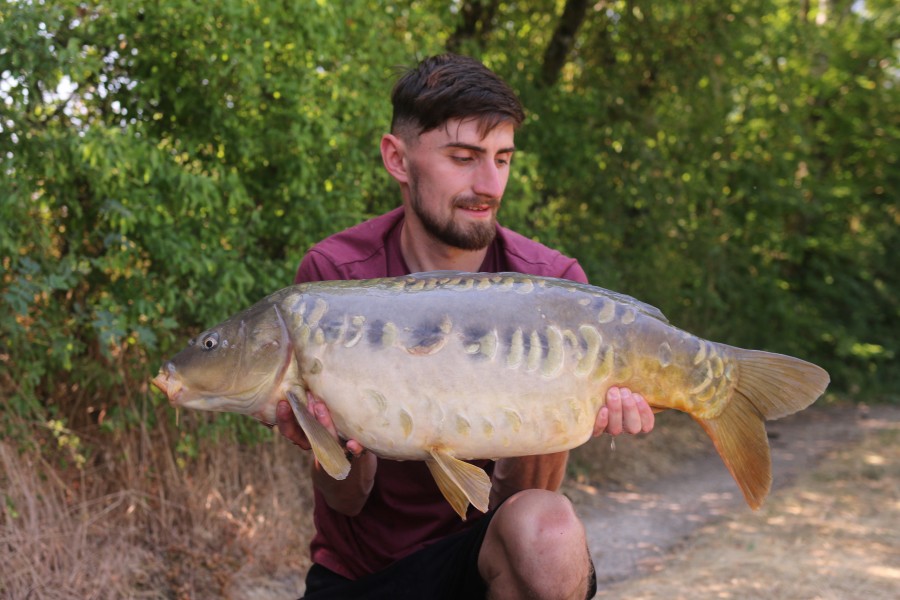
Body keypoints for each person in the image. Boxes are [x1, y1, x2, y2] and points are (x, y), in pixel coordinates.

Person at [276, 54, 656, 600]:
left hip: (482, 562)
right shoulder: (335, 281)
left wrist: (561, 411)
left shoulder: (552, 286)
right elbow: (346, 501)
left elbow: (517, 502)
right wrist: (335, 441)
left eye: (503, 159)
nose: (489, 184)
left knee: (548, 531)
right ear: (398, 159)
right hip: (363, 574)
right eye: (463, 157)